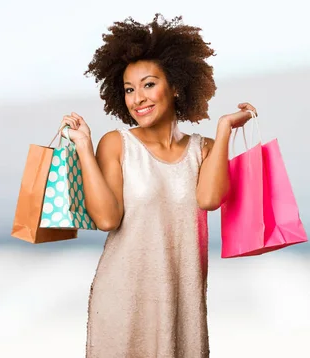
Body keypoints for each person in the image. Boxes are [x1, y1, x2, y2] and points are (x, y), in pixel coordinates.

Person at [59, 14, 258, 358]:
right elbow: (107, 220)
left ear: (176, 85)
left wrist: (225, 127)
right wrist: (82, 145)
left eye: (149, 84)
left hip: (182, 303)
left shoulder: (204, 149)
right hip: (122, 299)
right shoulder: (115, 144)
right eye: (129, 90)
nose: (138, 99)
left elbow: (210, 199)